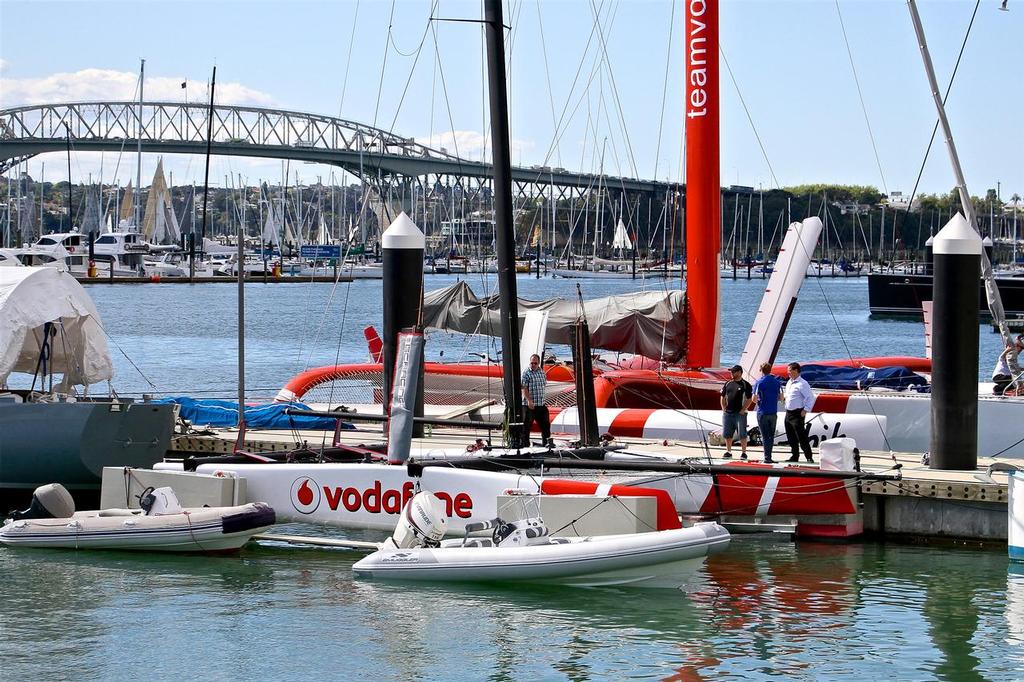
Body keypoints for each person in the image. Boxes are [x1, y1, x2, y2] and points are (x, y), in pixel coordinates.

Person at [783, 362, 816, 462]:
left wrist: (806, 409)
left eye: (790, 371)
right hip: (788, 413)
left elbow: (810, 398)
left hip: (797, 413)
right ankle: (795, 456)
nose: (788, 373)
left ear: (796, 370)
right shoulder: (789, 382)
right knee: (790, 436)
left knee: (801, 436)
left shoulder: (802, 383)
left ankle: (809, 457)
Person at [720, 364, 753, 459]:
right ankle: (728, 451)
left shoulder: (745, 385)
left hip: (740, 414)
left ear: (739, 372)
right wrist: (723, 408)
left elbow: (749, 399)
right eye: (731, 372)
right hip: (728, 413)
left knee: (742, 433)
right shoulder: (728, 383)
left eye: (733, 372)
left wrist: (743, 410)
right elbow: (722, 396)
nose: (731, 373)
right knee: (727, 433)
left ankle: (744, 452)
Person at [752, 362, 783, 464]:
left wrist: (761, 401)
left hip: (763, 412)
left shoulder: (759, 383)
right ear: (770, 370)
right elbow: (781, 398)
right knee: (771, 435)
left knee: (765, 436)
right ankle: (769, 456)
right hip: (773, 411)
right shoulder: (777, 382)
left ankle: (767, 457)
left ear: (761, 371)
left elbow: (754, 399)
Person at [521, 353, 551, 446]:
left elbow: (543, 385)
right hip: (530, 405)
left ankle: (546, 444)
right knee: (526, 427)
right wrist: (529, 400)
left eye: (535, 363)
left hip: (541, 404)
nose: (533, 365)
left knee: (546, 426)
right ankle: (525, 445)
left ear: (538, 363)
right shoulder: (526, 373)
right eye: (532, 363)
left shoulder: (541, 372)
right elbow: (524, 388)